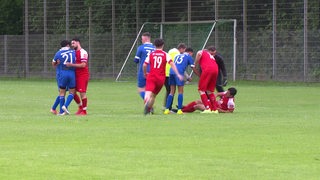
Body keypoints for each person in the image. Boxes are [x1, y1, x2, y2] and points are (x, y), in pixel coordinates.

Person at [143, 38, 184, 115]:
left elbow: (145, 64)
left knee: (148, 93)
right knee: (154, 95)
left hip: (151, 76)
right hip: (161, 79)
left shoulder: (151, 54)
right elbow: (172, 64)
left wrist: (145, 73)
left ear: (154, 45)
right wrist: (178, 74)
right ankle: (148, 110)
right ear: (163, 45)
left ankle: (147, 104)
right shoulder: (165, 54)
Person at [164, 46, 197, 115]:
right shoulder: (189, 57)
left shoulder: (177, 55)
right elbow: (193, 68)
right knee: (180, 92)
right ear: (190, 53)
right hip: (178, 73)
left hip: (171, 72)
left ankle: (166, 109)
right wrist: (199, 75)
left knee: (171, 91)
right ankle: (179, 110)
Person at [51, 40, 76, 115]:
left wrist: (56, 63)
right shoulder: (73, 52)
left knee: (62, 92)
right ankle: (65, 106)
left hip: (62, 73)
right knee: (72, 92)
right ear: (68, 45)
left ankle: (61, 111)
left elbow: (53, 63)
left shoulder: (58, 53)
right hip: (72, 73)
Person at [66, 37, 89, 115]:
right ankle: (80, 107)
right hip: (74, 75)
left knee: (82, 92)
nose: (72, 45)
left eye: (73, 43)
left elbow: (83, 65)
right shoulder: (72, 52)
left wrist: (71, 65)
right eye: (71, 43)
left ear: (78, 42)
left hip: (83, 75)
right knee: (72, 92)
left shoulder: (83, 52)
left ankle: (84, 111)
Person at [193, 46, 219, 113]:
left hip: (208, 69)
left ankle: (207, 108)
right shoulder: (211, 56)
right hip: (216, 70)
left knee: (201, 90)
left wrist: (195, 64)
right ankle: (215, 109)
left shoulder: (202, 51)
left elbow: (199, 54)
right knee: (209, 90)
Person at [172, 87, 237, 113]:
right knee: (198, 101)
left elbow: (230, 112)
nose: (226, 93)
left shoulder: (231, 102)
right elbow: (217, 94)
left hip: (215, 109)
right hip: (213, 104)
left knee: (197, 106)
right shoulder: (226, 93)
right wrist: (213, 99)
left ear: (231, 95)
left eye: (228, 93)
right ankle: (185, 107)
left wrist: (220, 110)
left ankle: (181, 111)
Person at [134, 32, 155, 101]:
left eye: (142, 39)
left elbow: (136, 60)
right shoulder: (155, 48)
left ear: (145, 39)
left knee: (141, 89)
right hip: (153, 71)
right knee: (150, 90)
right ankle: (149, 104)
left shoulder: (141, 48)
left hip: (143, 71)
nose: (141, 41)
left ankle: (148, 104)